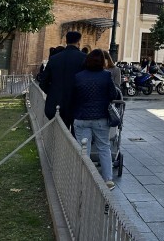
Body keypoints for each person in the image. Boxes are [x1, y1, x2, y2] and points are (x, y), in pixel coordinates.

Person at [72, 49, 122, 190]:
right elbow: (113, 94)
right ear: (102, 62)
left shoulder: (78, 76)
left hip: (82, 117)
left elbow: (74, 96)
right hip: (101, 117)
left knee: (84, 149)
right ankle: (108, 180)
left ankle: (83, 178)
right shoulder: (106, 76)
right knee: (104, 147)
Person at [40, 31, 87, 128]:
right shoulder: (84, 58)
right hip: (76, 104)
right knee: (75, 135)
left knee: (58, 132)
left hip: (57, 103)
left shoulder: (54, 58)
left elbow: (43, 82)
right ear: (79, 42)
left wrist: (52, 92)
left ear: (66, 41)